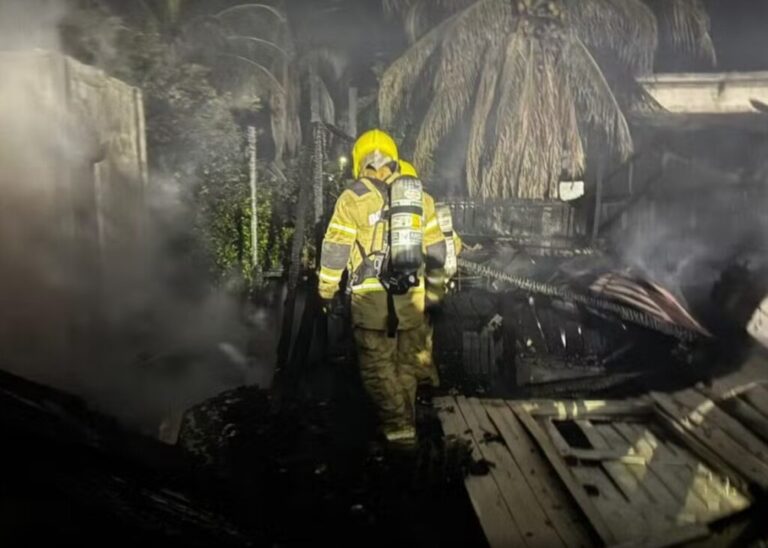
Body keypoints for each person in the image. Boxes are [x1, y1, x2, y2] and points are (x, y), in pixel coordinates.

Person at [317, 130, 446, 445]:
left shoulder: (353, 198)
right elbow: (438, 252)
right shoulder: (421, 199)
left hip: (372, 306)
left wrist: (326, 291)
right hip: (411, 302)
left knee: (378, 370)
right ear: (394, 158)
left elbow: (336, 249)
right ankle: (408, 421)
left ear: (361, 162)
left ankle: (400, 435)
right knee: (405, 367)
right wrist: (435, 294)